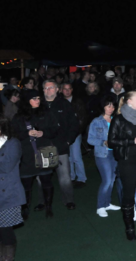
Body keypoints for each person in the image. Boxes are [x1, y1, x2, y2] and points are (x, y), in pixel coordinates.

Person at [108, 91, 136, 240]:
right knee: (128, 194)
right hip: (127, 161)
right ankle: (129, 229)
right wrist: (131, 141)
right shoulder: (119, 120)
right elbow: (112, 141)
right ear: (129, 102)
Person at [12, 90, 57, 219]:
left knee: (46, 181)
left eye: (38, 98)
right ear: (27, 101)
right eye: (34, 98)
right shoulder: (19, 117)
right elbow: (13, 135)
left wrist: (43, 133)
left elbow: (54, 129)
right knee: (26, 184)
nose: (37, 100)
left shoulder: (46, 113)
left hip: (44, 151)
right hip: (26, 155)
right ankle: (25, 209)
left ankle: (48, 207)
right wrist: (27, 134)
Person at [41, 80, 78, 210]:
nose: (48, 90)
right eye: (45, 88)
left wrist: (68, 141)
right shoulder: (39, 105)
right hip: (44, 146)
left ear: (57, 89)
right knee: (43, 177)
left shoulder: (64, 104)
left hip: (61, 146)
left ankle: (68, 200)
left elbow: (74, 124)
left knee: (65, 177)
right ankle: (44, 201)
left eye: (50, 88)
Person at [87, 97, 121, 217]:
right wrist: (103, 142)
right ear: (103, 107)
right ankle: (100, 206)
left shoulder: (116, 120)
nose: (111, 108)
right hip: (103, 153)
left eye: (112, 106)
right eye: (108, 106)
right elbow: (90, 139)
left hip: (115, 153)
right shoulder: (96, 121)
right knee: (107, 180)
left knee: (112, 180)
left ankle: (107, 203)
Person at [0, 115, 24, 260]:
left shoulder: (13, 143)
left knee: (5, 231)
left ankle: (7, 258)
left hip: (7, 194)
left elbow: (7, 166)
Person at [61, 83, 88, 189]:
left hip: (75, 133)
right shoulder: (60, 102)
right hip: (64, 134)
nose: (67, 91)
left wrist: (76, 132)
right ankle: (71, 177)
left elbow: (83, 118)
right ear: (61, 90)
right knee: (69, 157)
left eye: (69, 89)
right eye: (65, 89)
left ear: (72, 90)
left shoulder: (78, 102)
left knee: (76, 156)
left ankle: (81, 178)